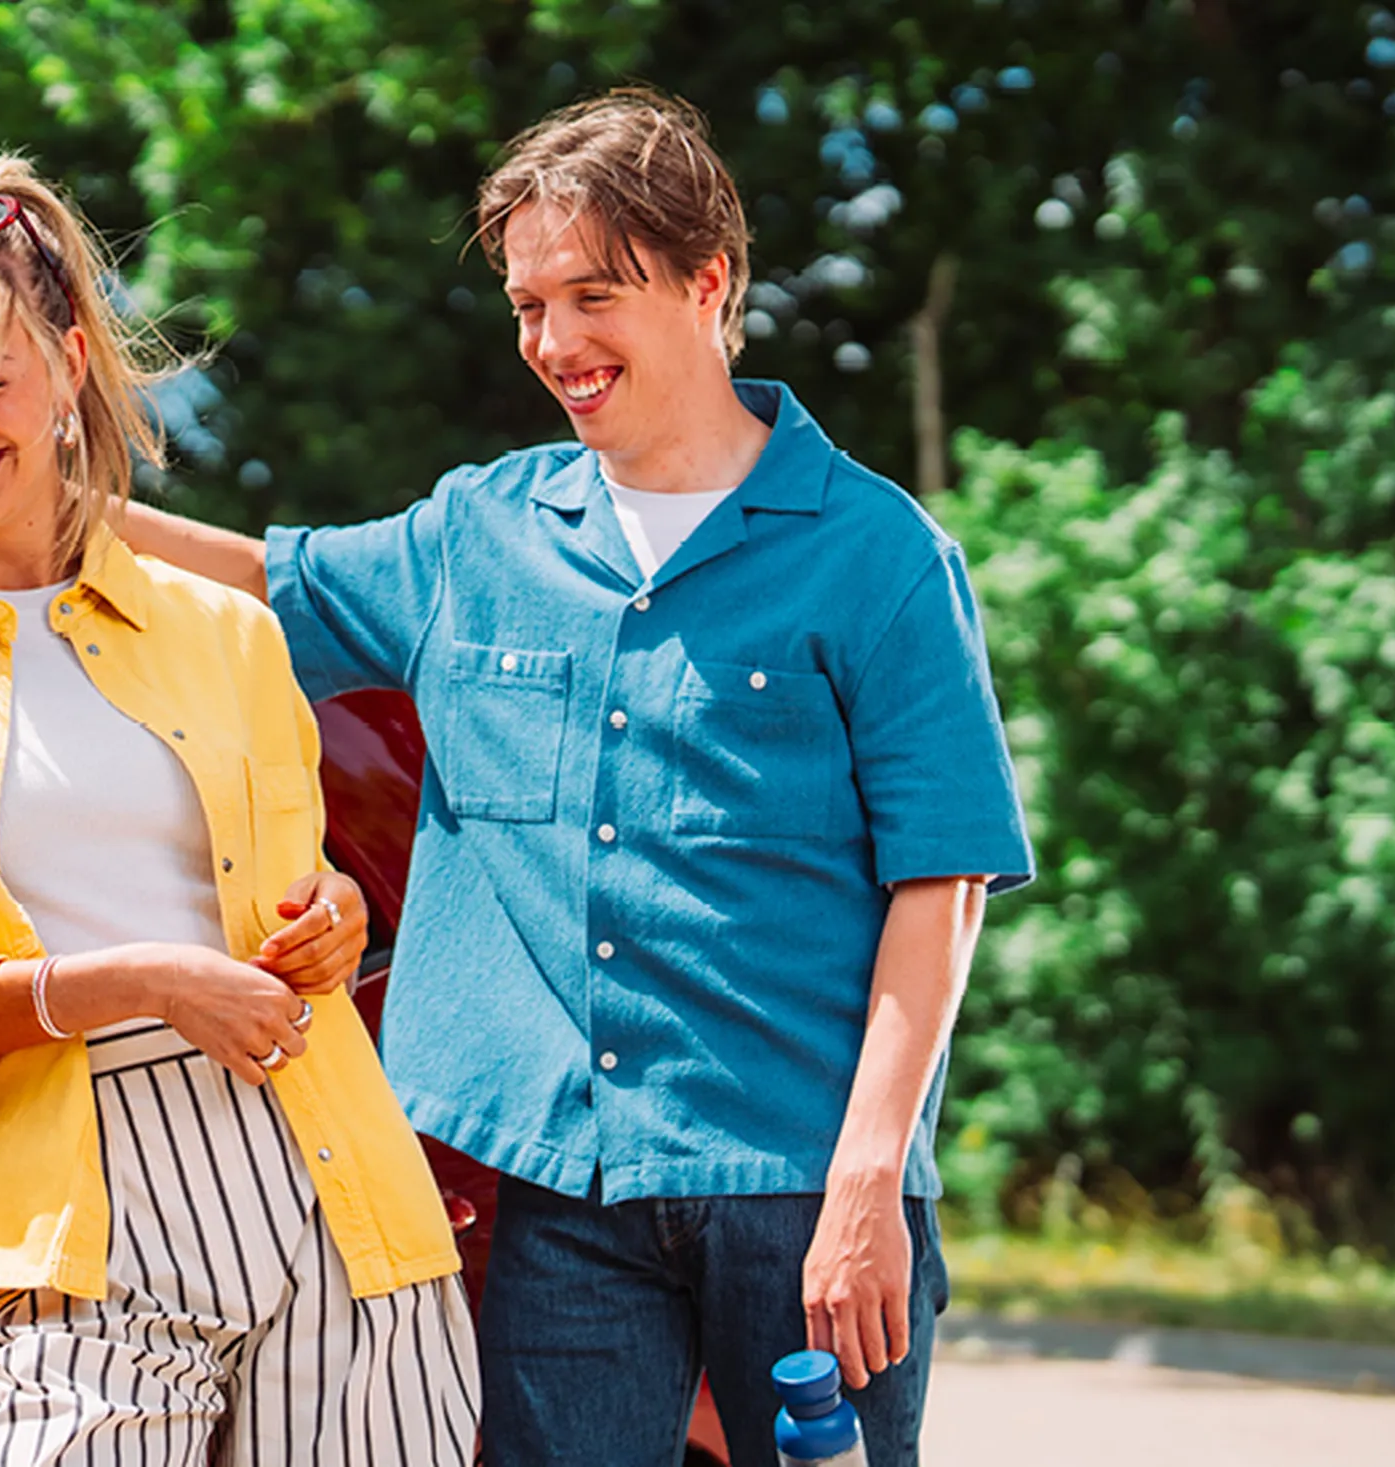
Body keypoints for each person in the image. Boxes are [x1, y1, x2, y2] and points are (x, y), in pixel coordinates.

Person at [121, 87, 1036, 1466]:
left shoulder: (878, 554)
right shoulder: (480, 531)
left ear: (708, 280)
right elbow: (260, 581)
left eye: (592, 296)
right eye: (528, 305)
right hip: (569, 1203)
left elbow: (943, 880)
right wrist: (33, 495)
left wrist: (869, 1183)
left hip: (800, 1188)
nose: (554, 343)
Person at [0, 148, 476, 1467]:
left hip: (327, 1175)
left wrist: (330, 924)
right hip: (58, 1210)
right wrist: (136, 977)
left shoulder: (227, 631)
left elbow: (290, 908)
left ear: (70, 363)